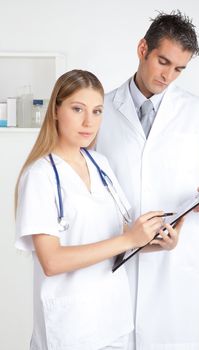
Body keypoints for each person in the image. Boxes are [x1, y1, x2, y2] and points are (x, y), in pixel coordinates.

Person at [15, 69, 183, 350]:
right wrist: (129, 239)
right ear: (56, 110)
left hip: (112, 321)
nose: (88, 121)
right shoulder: (40, 175)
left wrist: (157, 243)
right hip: (70, 329)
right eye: (77, 109)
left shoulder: (100, 164)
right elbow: (52, 261)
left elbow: (119, 242)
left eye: (97, 111)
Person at [96, 10, 199, 350]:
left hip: (173, 266)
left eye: (179, 69)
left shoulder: (198, 112)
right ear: (143, 48)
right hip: (116, 257)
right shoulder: (102, 110)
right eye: (163, 61)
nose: (169, 76)